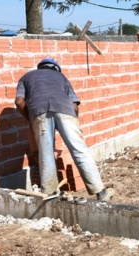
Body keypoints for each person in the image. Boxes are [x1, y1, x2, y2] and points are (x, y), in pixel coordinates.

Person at [14, 58, 110, 201]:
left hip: (39, 112)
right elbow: (75, 105)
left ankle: (50, 194)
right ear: (56, 69)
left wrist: (29, 119)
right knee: (79, 150)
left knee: (46, 154)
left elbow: (19, 101)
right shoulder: (61, 77)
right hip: (65, 110)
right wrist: (72, 122)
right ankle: (101, 193)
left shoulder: (26, 77)